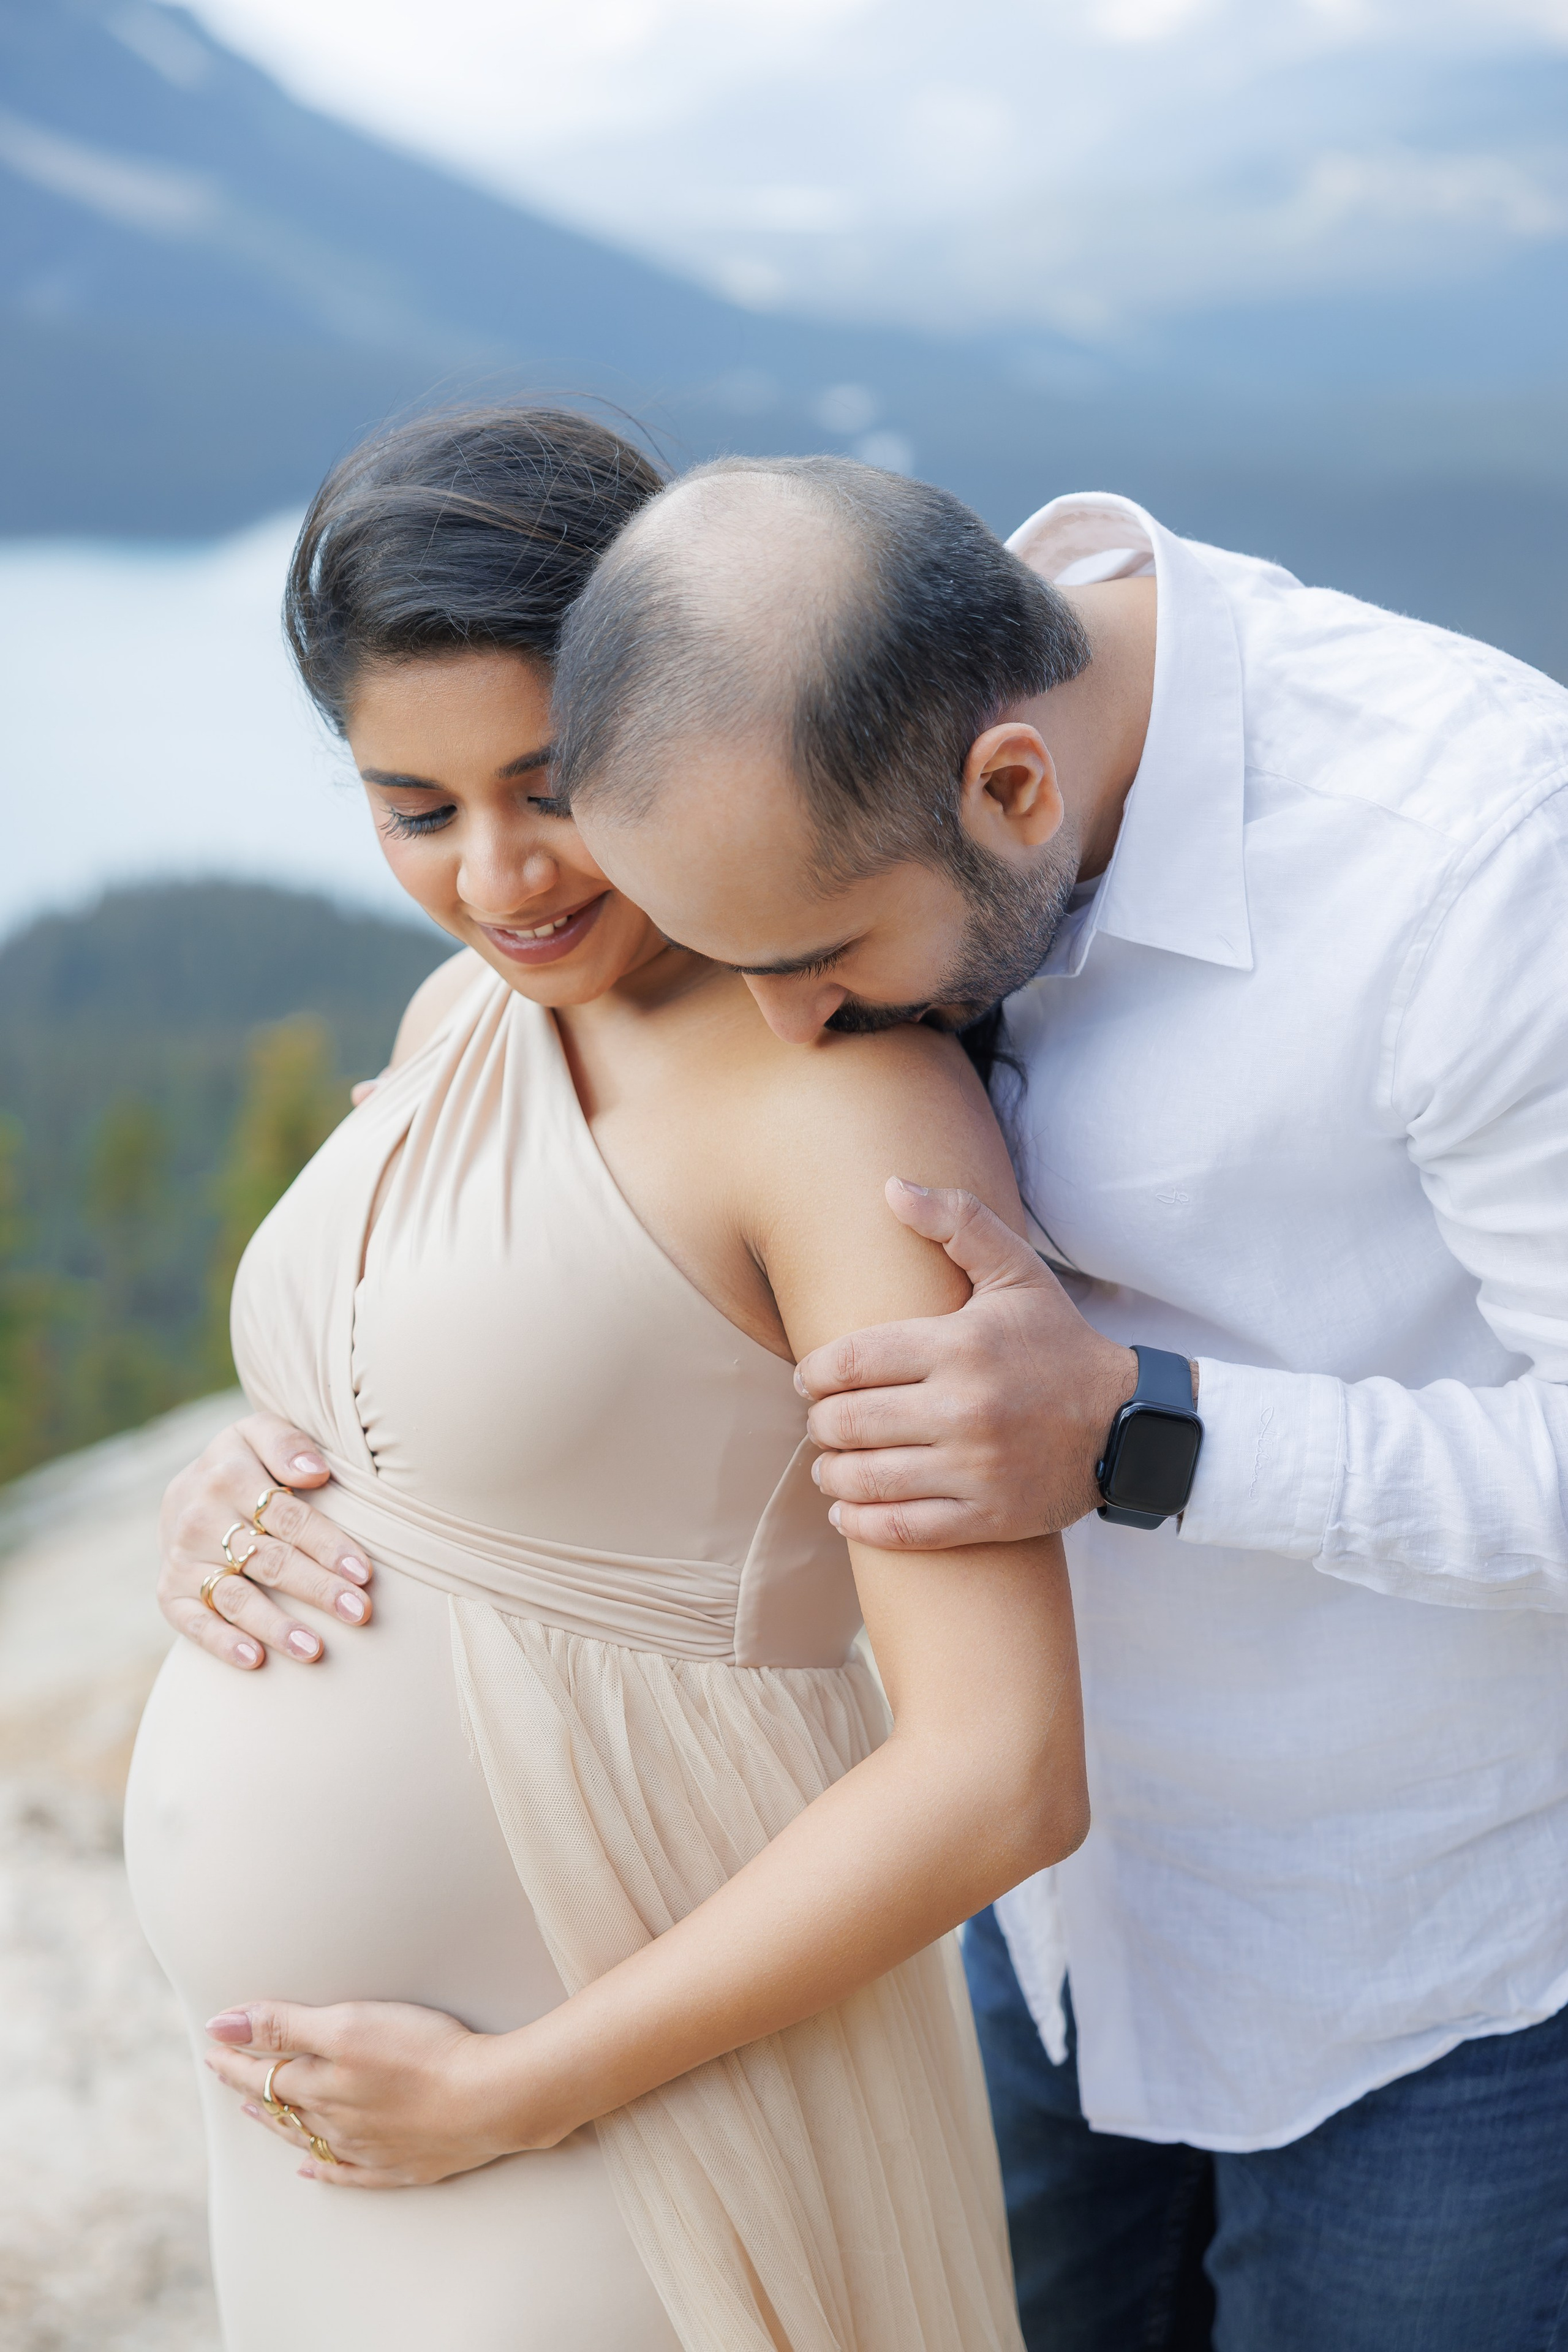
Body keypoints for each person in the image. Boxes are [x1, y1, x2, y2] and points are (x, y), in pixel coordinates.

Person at [534, 454, 1568, 2352]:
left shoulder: (1482, 858)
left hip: (1444, 1973)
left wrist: (1143, 1434)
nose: (785, 1031)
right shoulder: (832, 750)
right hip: (1054, 1927)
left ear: (1015, 786)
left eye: (823, 963)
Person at [126, 407, 1088, 2352]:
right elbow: (454, 1418)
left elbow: (1000, 1770)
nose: (496, 875)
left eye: (551, 783)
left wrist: (529, 2086)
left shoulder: (838, 1108)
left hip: (622, 2114)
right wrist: (238, 1492)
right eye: (413, 807)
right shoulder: (469, 1007)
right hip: (336, 2138)